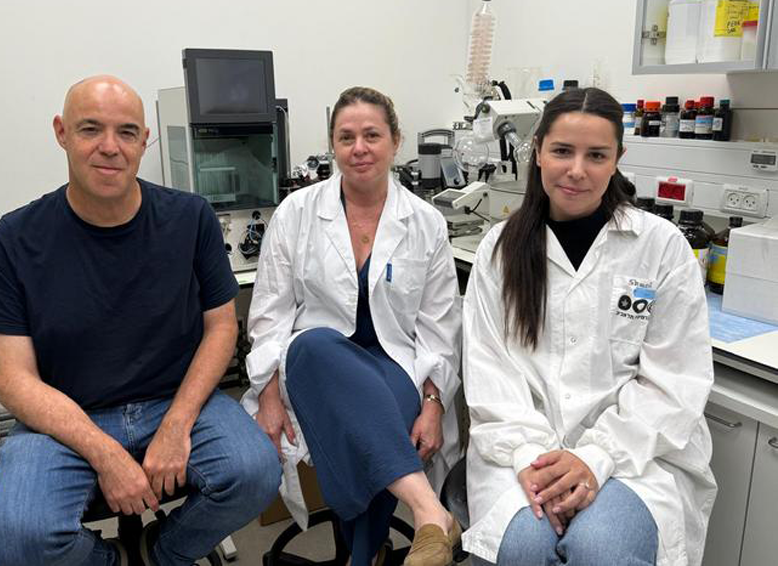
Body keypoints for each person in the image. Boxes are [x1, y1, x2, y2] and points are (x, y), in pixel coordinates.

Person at [0, 75, 281, 566]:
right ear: (61, 132)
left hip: (173, 400)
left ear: (145, 141)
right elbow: (12, 379)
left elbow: (222, 327)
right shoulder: (14, 239)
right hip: (67, 416)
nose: (110, 147)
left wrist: (177, 423)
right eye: (90, 129)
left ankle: (163, 554)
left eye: (127, 132)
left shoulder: (191, 219)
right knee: (16, 538)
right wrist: (104, 451)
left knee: (257, 473)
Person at [462, 87, 716, 566]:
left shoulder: (660, 247)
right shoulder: (500, 248)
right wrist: (533, 460)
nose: (577, 170)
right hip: (523, 450)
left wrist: (594, 458)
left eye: (596, 155)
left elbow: (675, 380)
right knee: (522, 549)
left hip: (635, 455)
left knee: (599, 549)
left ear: (617, 159)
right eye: (562, 151)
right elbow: (489, 371)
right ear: (538, 151)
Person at [241, 86, 462, 566]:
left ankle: (367, 555)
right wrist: (269, 395)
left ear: (395, 141)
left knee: (380, 421)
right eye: (346, 137)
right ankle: (430, 512)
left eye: (371, 135)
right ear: (333, 145)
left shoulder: (425, 222)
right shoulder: (297, 213)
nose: (359, 148)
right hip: (314, 367)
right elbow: (269, 313)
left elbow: (440, 327)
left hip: (395, 364)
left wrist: (433, 404)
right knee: (316, 345)